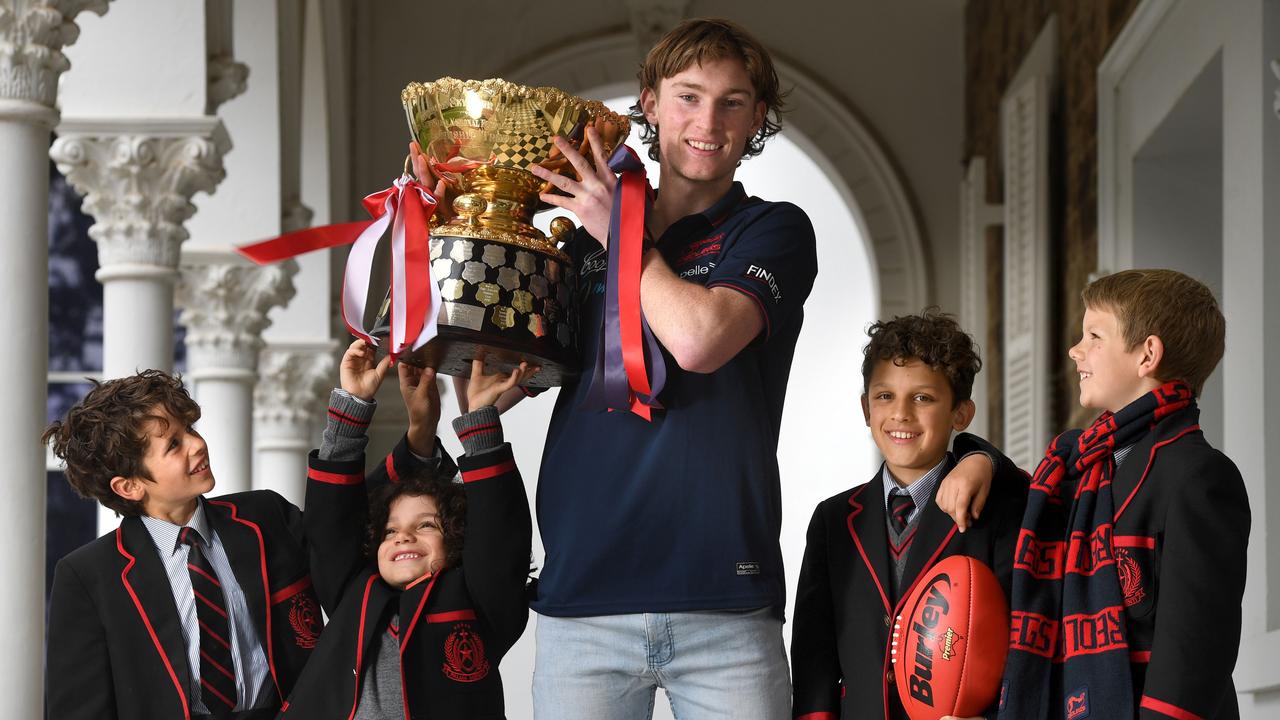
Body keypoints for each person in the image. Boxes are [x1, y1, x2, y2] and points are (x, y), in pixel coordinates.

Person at [413, 17, 994, 719]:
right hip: (584, 598)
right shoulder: (582, 227)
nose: (708, 121)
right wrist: (449, 215)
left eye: (732, 101)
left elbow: (700, 340)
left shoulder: (773, 230)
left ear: (757, 120)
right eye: (688, 97)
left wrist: (622, 239)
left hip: (726, 600)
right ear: (650, 104)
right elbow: (512, 349)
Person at [944, 269, 1250, 720]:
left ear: (1147, 355)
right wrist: (980, 459)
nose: (1075, 349)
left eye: (1094, 335)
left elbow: (1191, 670)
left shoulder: (1200, 477)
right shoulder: (1074, 470)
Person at [43, 369, 431, 719]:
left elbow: (344, 524)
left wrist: (416, 437)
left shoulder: (264, 517)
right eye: (173, 445)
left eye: (190, 430)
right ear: (129, 486)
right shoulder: (88, 576)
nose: (197, 445)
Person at [277, 341, 534, 719]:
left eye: (426, 525)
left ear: (459, 540)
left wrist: (480, 419)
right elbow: (330, 524)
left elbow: (499, 539)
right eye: (389, 531)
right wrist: (353, 404)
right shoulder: (354, 592)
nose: (402, 537)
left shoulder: (480, 603)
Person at [790, 310, 1027, 720]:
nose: (900, 413)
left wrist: (985, 460)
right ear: (866, 408)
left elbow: (1021, 639)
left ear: (961, 414)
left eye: (923, 398)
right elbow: (815, 659)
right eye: (885, 396)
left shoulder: (996, 509)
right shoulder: (832, 521)